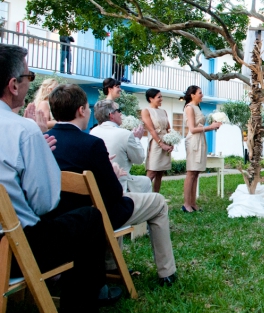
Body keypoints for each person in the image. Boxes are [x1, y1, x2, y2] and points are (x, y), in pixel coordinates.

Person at [0, 44, 110, 313]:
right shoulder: (22, 130)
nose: (29, 82)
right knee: (88, 218)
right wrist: (40, 152)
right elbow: (45, 203)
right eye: (28, 76)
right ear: (13, 85)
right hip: (13, 252)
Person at [47, 84, 178, 287]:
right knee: (158, 202)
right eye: (87, 108)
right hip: (97, 215)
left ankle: (110, 264)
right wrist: (114, 173)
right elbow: (115, 193)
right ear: (81, 110)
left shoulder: (45, 141)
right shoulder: (91, 144)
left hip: (60, 217)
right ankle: (167, 272)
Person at [90, 99, 152, 193]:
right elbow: (139, 159)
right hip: (120, 183)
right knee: (146, 181)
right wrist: (137, 139)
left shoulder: (93, 132)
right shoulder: (125, 134)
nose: (120, 114)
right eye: (118, 111)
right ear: (111, 115)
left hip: (98, 183)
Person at [182, 85, 222, 212]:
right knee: (191, 172)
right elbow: (192, 129)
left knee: (196, 172)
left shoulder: (197, 108)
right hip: (193, 141)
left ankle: (193, 203)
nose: (202, 94)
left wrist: (214, 125)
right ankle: (186, 204)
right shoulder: (189, 108)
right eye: (200, 92)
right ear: (192, 95)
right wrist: (210, 127)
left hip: (201, 140)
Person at [140, 88, 173, 192]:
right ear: (151, 98)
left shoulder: (163, 111)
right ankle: (143, 195)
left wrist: (171, 142)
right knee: (152, 171)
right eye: (159, 97)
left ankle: (156, 196)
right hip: (155, 142)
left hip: (166, 140)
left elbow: (168, 128)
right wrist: (161, 144)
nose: (161, 99)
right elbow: (151, 129)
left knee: (160, 173)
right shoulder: (146, 111)